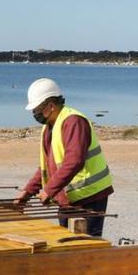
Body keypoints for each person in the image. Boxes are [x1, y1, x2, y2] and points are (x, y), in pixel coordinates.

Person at [14, 78, 114, 236]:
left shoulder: (74, 122)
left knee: (86, 247)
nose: (35, 114)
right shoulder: (51, 126)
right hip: (68, 197)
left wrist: (49, 189)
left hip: (89, 196)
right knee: (66, 242)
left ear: (51, 106)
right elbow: (47, 166)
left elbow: (74, 161)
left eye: (37, 109)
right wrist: (27, 192)